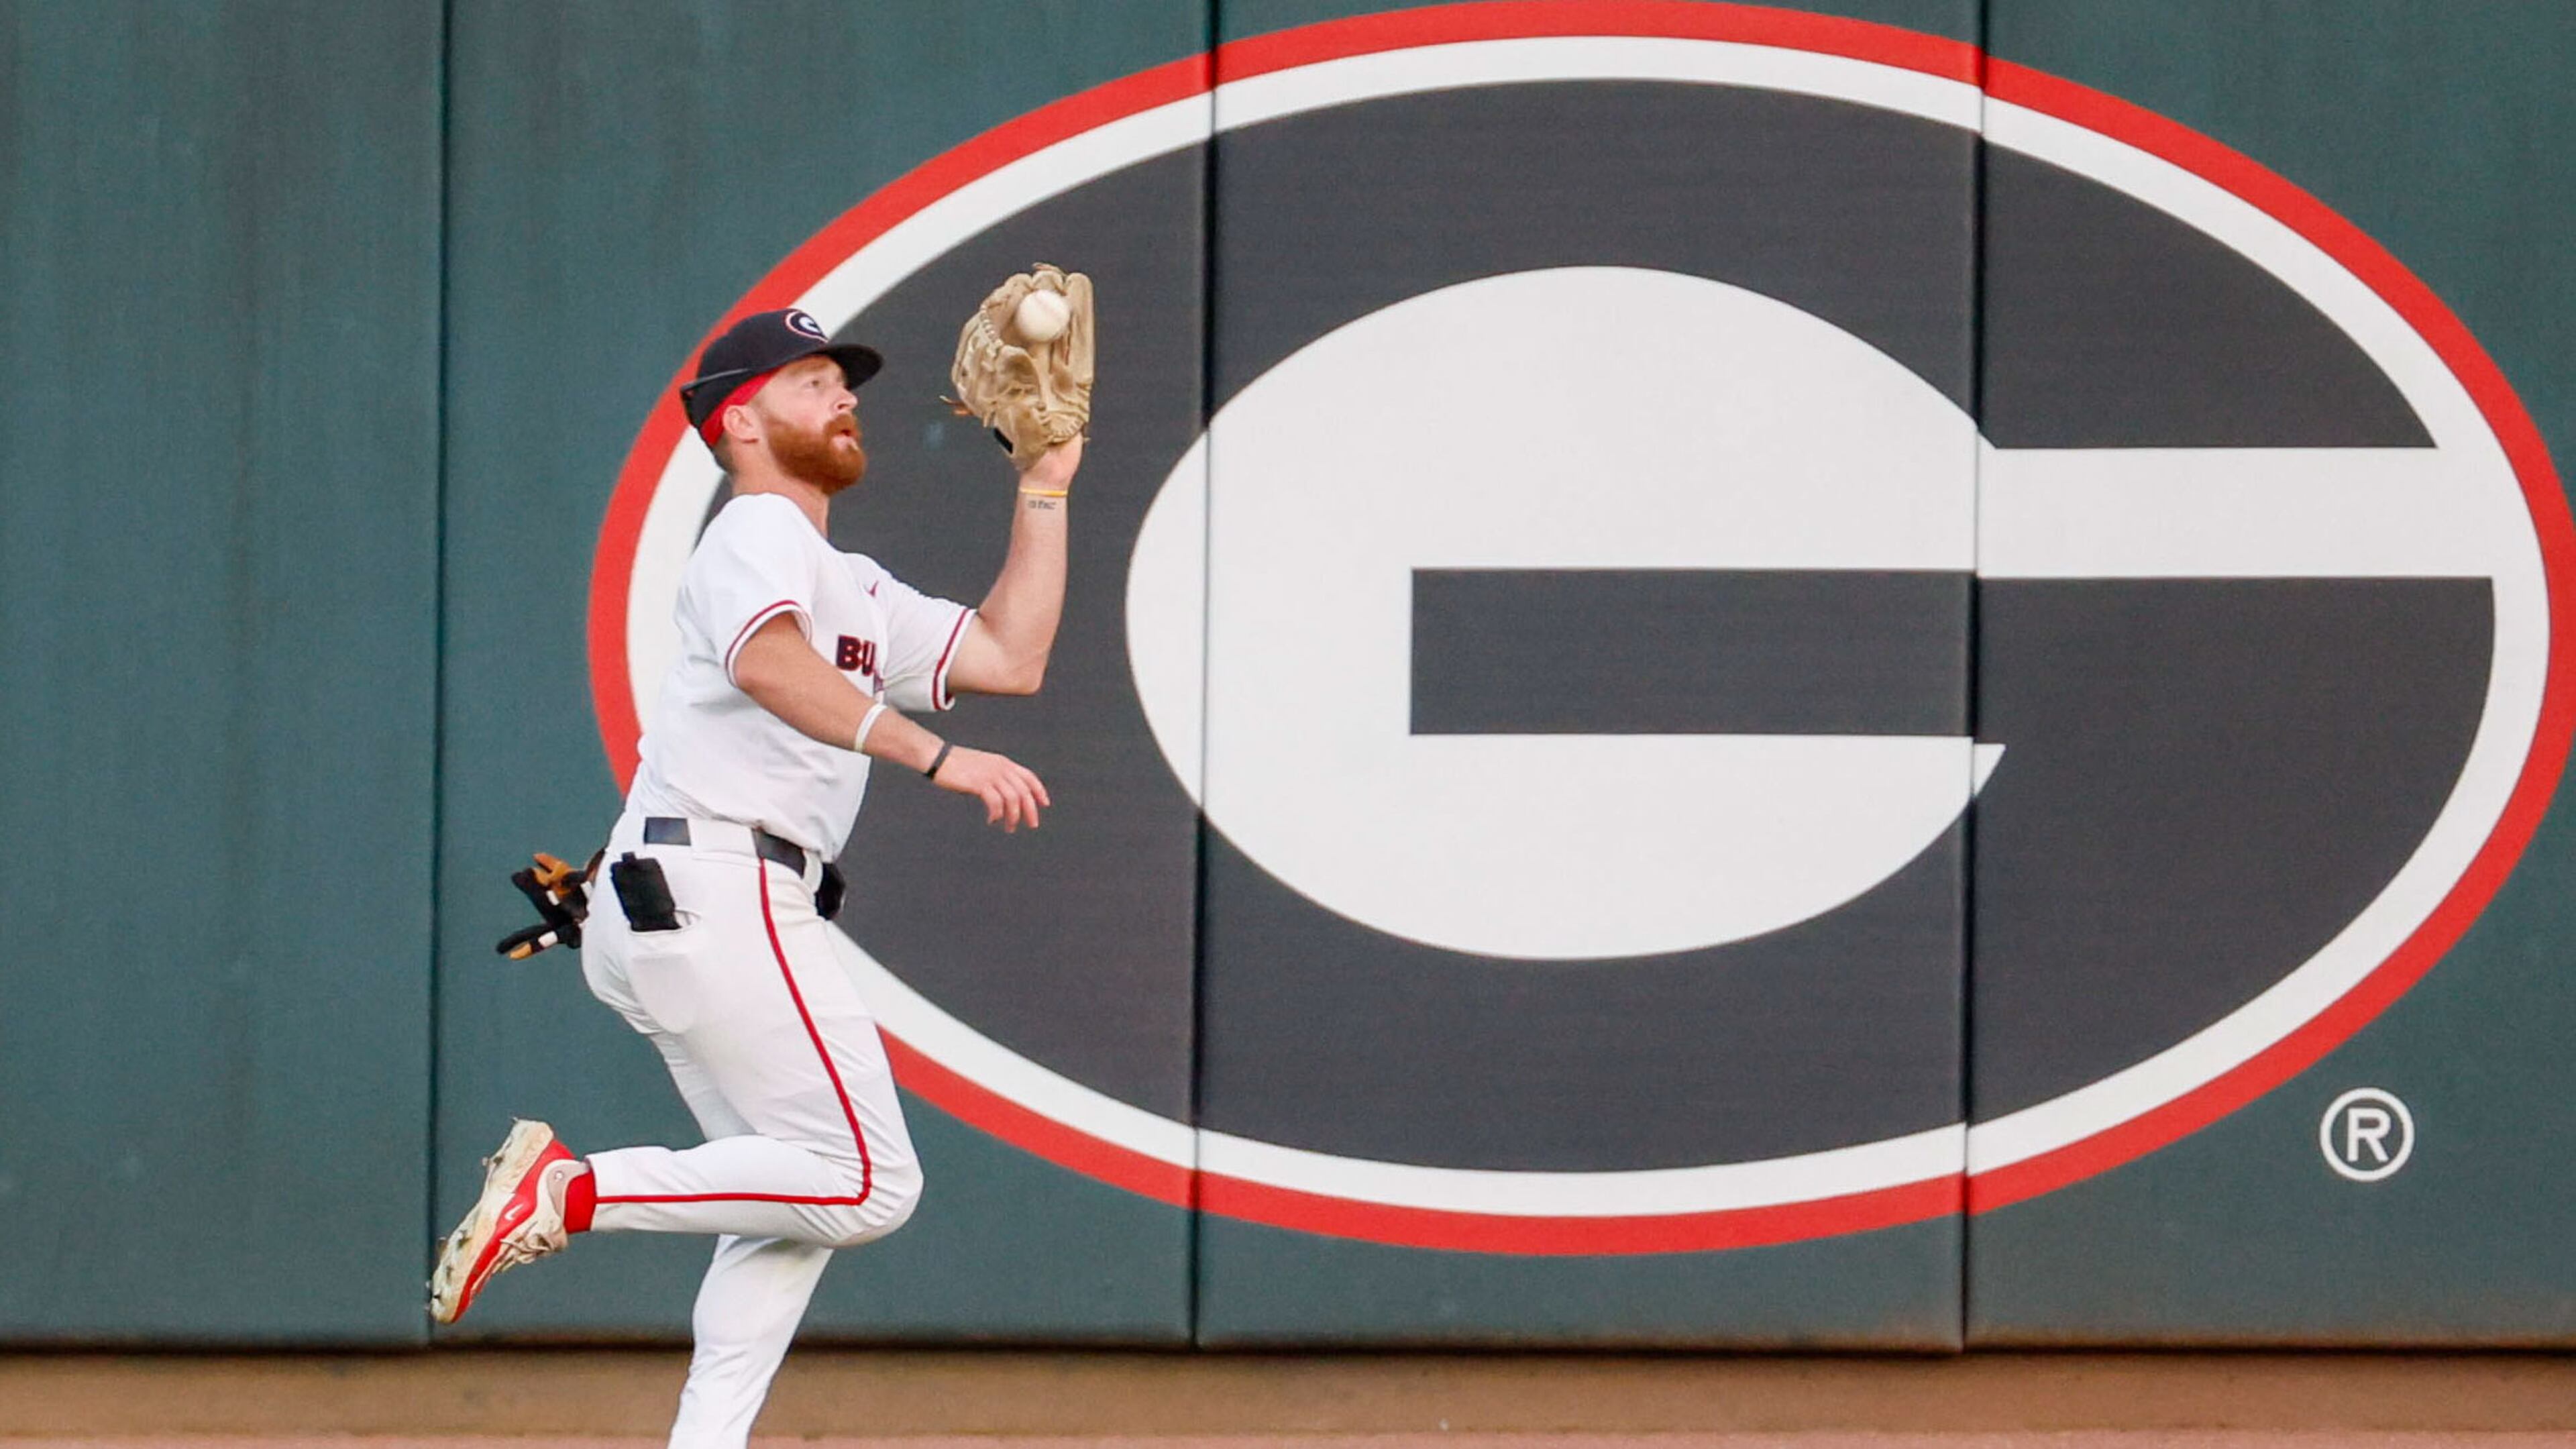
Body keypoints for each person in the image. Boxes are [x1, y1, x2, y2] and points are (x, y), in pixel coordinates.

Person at [429, 307, 1077, 1448]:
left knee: (785, 1209)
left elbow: (1010, 656)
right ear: (741, 418)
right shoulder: (757, 533)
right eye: (811, 380)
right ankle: (571, 1192)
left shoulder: (851, 580)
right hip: (723, 882)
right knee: (870, 1183)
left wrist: (1045, 484)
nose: (844, 397)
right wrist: (934, 753)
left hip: (687, 893)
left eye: (844, 380)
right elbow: (770, 663)